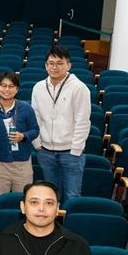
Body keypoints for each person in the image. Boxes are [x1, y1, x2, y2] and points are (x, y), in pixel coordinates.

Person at [31, 45, 91, 202]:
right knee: (51, 197)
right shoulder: (38, 87)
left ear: (68, 65)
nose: (54, 67)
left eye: (59, 63)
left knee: (72, 197)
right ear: (45, 65)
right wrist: (38, 144)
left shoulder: (79, 88)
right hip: (45, 152)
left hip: (70, 153)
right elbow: (35, 117)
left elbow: (82, 121)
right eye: (51, 63)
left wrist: (76, 149)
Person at [0, 72, 40, 198]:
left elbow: (35, 129)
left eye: (11, 86)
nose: (7, 89)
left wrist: (24, 136)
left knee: (22, 200)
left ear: (17, 89)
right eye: (3, 86)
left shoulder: (26, 108)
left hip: (22, 164)